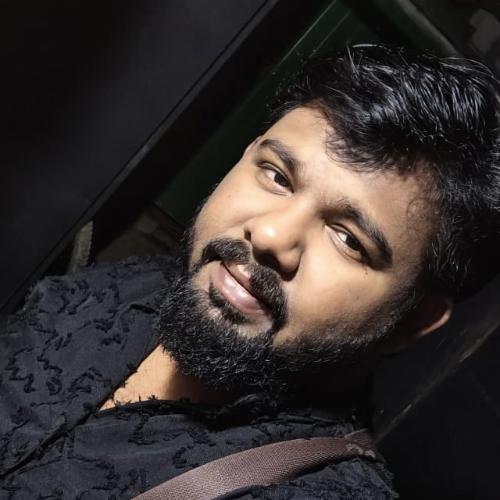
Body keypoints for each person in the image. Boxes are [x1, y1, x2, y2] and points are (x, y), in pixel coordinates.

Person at [1, 44, 499, 499]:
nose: (271, 235)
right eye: (277, 176)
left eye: (349, 239)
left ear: (412, 321)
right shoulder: (140, 284)